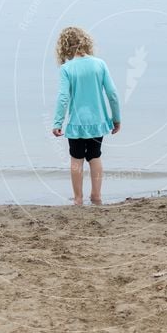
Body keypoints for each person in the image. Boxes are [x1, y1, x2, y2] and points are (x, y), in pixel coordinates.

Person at [52, 26, 121, 206]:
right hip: (98, 122)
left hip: (76, 123)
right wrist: (116, 118)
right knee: (95, 156)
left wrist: (58, 121)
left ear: (65, 47)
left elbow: (63, 97)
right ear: (86, 42)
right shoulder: (100, 64)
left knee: (76, 159)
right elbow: (112, 93)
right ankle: (96, 196)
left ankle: (78, 198)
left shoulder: (67, 69)